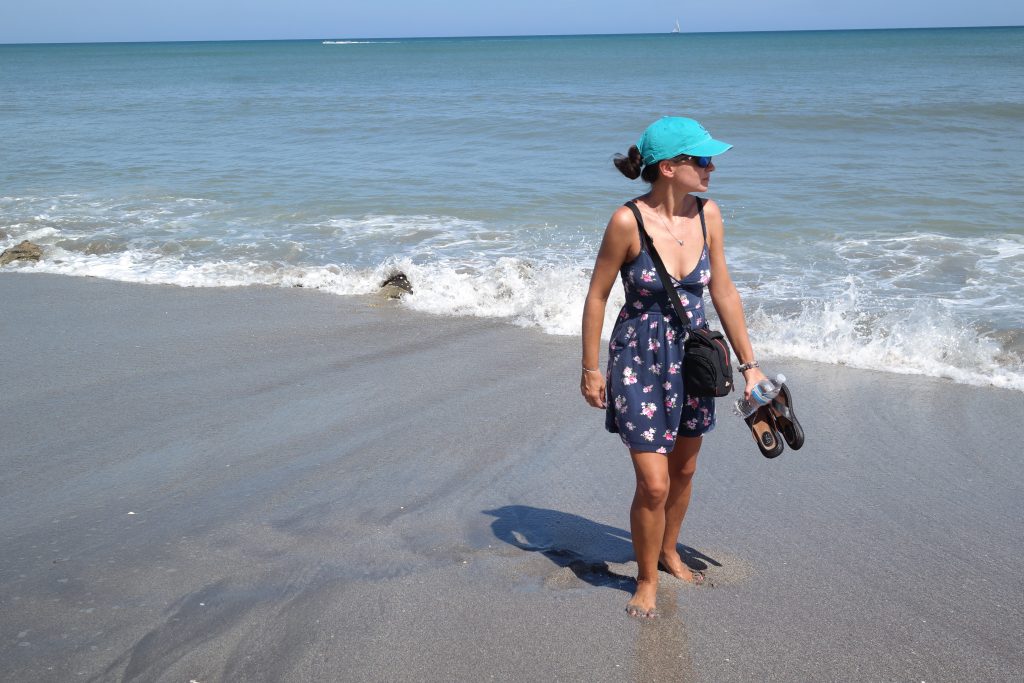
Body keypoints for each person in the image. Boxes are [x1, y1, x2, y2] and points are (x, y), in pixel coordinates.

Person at [580, 116, 768, 619]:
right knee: (654, 482)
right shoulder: (627, 221)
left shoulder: (709, 215)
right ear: (669, 167)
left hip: (693, 357)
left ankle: (667, 551)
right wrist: (590, 368)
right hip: (637, 358)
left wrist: (751, 367)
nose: (711, 168)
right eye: (702, 159)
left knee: (683, 469)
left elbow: (722, 291)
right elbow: (597, 295)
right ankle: (645, 579)